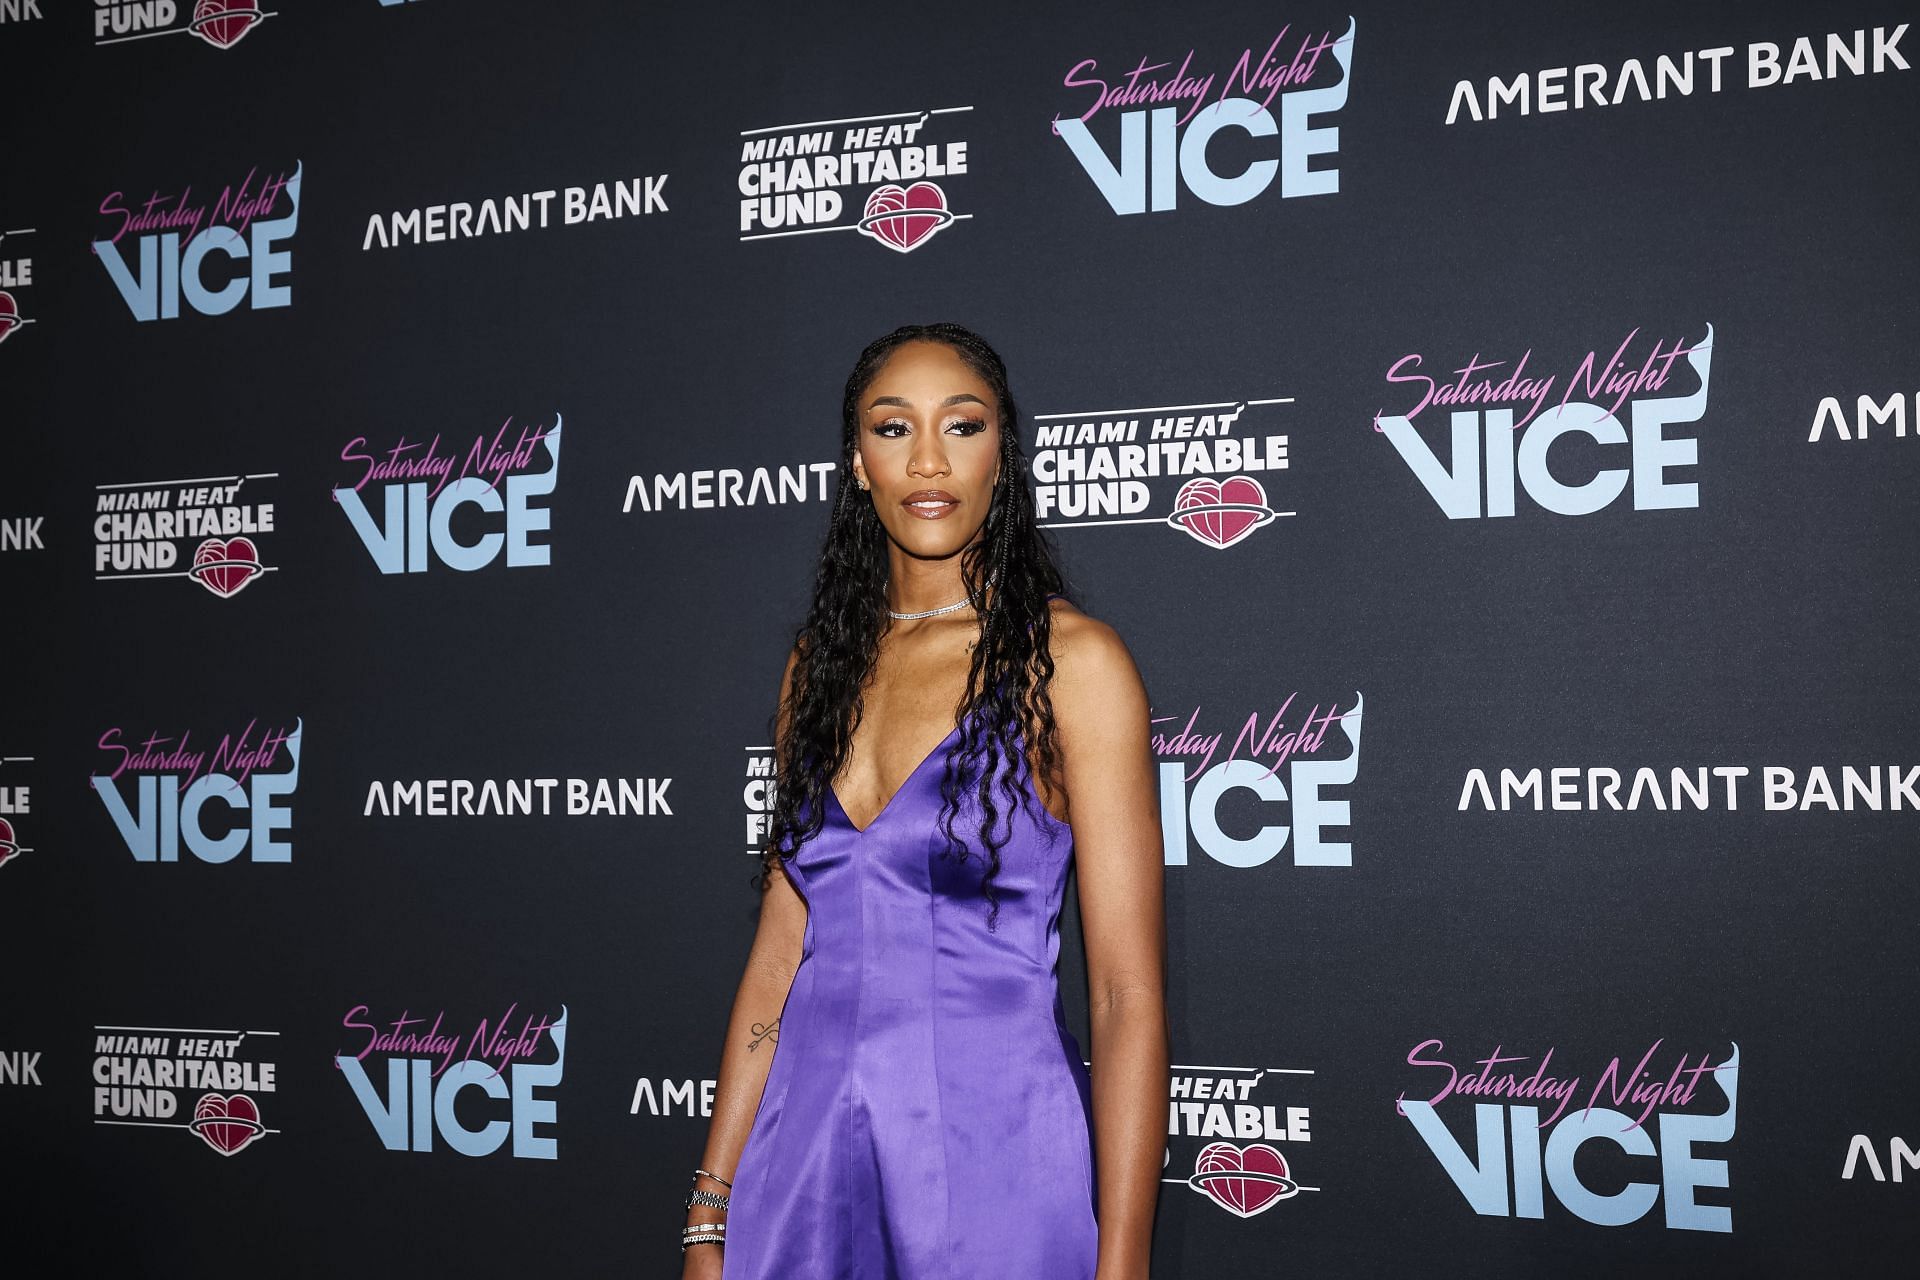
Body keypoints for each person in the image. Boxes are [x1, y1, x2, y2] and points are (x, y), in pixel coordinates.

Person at [681, 324, 1168, 1280]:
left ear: (1004, 456)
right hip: (805, 1166)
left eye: (965, 424)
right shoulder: (817, 667)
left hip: (995, 1165)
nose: (930, 460)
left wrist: (1124, 1264)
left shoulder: (1072, 663)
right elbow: (784, 949)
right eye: (893, 428)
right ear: (858, 465)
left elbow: (1124, 995)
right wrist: (711, 1207)